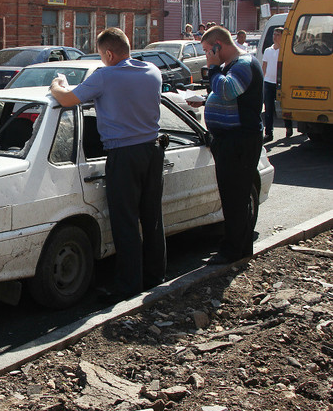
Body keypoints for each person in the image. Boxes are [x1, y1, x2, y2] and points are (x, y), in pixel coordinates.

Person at [50, 27, 166, 301]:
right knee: (152, 218)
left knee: (125, 221)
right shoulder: (152, 71)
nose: (102, 60)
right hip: (152, 151)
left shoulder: (105, 75)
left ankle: (129, 285)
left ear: (109, 53)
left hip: (124, 155)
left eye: (102, 56)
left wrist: (57, 83)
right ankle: (155, 276)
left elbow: (66, 99)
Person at [189, 26, 263, 265]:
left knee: (235, 197)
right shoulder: (232, 66)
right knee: (233, 197)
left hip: (239, 140)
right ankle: (238, 248)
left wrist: (212, 69)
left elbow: (228, 90)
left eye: (209, 50)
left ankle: (233, 250)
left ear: (219, 45)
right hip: (230, 140)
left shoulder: (242, 64)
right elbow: (224, 93)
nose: (208, 55)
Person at [261, 27, 293, 141]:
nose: (275, 37)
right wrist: (262, 79)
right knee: (268, 108)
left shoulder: (284, 50)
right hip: (268, 82)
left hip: (281, 83)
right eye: (274, 34)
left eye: (278, 35)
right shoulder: (268, 50)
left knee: (283, 107)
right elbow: (264, 66)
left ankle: (288, 126)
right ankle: (269, 133)